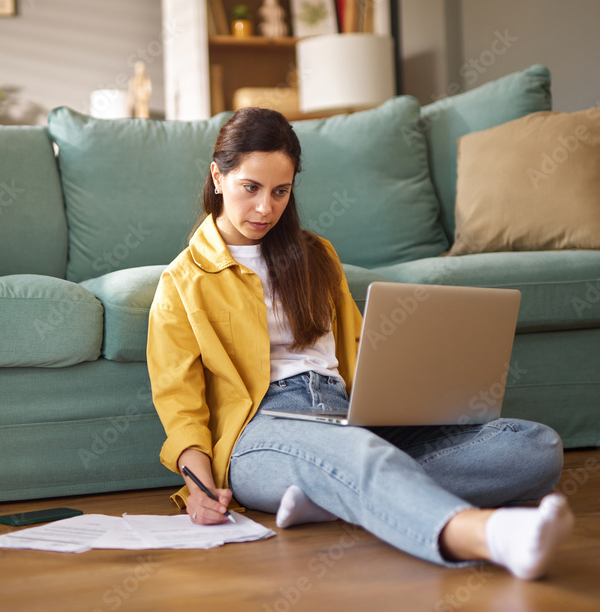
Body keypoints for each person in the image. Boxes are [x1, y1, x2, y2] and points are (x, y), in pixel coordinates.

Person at [146, 107, 574, 579]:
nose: (266, 207)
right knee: (360, 455)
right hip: (259, 433)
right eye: (251, 188)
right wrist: (200, 487)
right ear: (218, 176)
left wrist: (412, 394)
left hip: (345, 414)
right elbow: (180, 405)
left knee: (532, 445)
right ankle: (484, 535)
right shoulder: (182, 280)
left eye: (281, 191)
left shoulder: (317, 255)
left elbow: (364, 348)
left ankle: (332, 496)